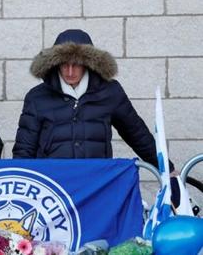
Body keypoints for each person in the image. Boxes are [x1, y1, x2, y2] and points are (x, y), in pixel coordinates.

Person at [13, 29, 171, 170]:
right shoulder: (37, 97)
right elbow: (24, 149)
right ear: (55, 65)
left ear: (88, 64)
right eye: (64, 65)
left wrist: (166, 169)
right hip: (53, 184)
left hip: (95, 183)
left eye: (76, 65)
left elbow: (136, 133)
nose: (69, 71)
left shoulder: (110, 92)